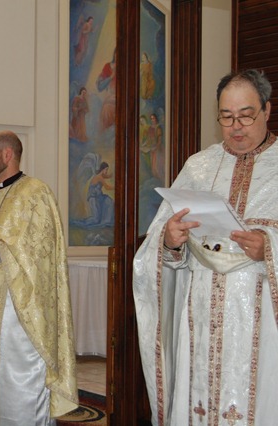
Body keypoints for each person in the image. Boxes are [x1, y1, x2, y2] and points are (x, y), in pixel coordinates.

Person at [133, 69, 278, 425]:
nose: (236, 127)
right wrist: (170, 241)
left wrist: (269, 247)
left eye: (246, 115)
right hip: (199, 319)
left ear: (267, 110)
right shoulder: (198, 167)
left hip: (262, 322)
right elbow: (156, 244)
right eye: (226, 117)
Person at [0, 131, 78, 425]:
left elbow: (38, 255)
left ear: (7, 155)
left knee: (16, 386)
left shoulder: (36, 194)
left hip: (17, 315)